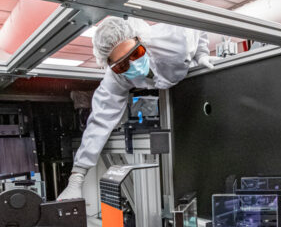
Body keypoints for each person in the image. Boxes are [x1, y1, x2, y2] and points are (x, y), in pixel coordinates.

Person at [58, 17, 217, 200]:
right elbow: (100, 121)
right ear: (110, 65)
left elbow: (196, 23)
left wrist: (201, 54)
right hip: (174, 103)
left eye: (135, 53)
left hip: (196, 83)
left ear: (140, 40)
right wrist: (77, 177)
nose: (132, 64)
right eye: (123, 64)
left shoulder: (174, 39)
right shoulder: (118, 77)